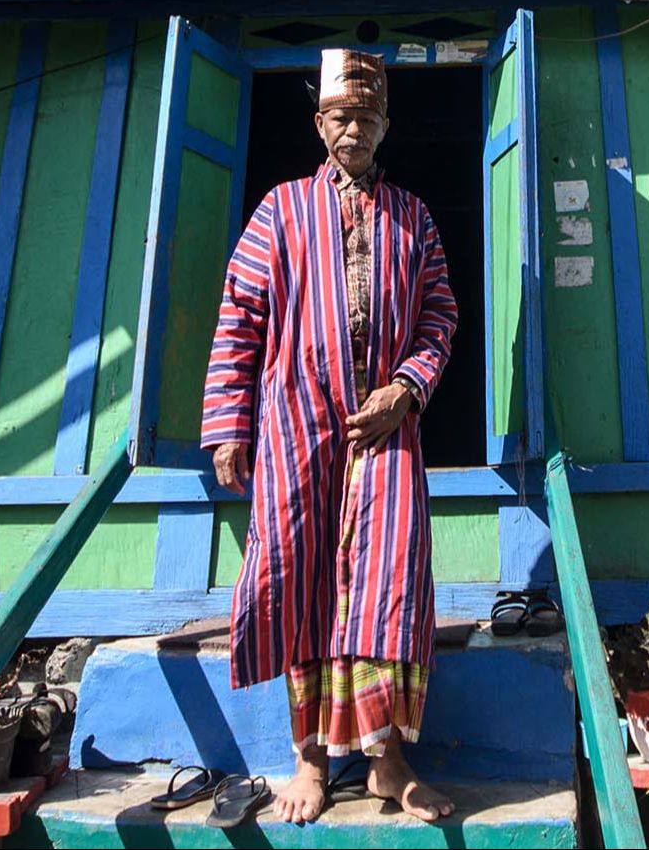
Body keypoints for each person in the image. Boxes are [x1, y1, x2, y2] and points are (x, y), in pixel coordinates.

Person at [201, 49, 458, 824]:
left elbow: (439, 317)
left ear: (386, 125)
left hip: (385, 433)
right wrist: (228, 425)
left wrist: (406, 389)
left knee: (387, 587)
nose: (354, 127)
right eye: (341, 115)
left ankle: (388, 762)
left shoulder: (416, 219)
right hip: (296, 428)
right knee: (300, 585)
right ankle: (308, 760)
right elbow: (239, 320)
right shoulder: (278, 211)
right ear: (319, 124)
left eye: (367, 115)